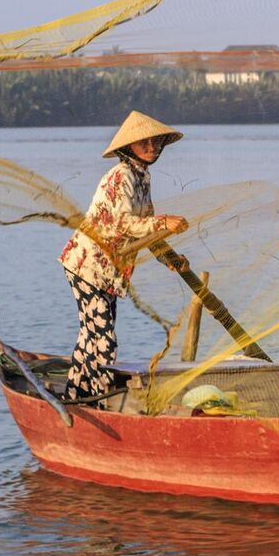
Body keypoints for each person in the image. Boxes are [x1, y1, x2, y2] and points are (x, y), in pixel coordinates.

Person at [58, 111, 192, 400]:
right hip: (88, 266)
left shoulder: (142, 177)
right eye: (144, 143)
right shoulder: (122, 176)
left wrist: (169, 258)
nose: (152, 148)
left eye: (156, 143)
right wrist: (164, 222)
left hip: (107, 271)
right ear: (129, 146)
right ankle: (99, 399)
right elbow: (123, 224)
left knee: (90, 336)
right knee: (103, 339)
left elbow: (145, 229)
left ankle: (75, 396)